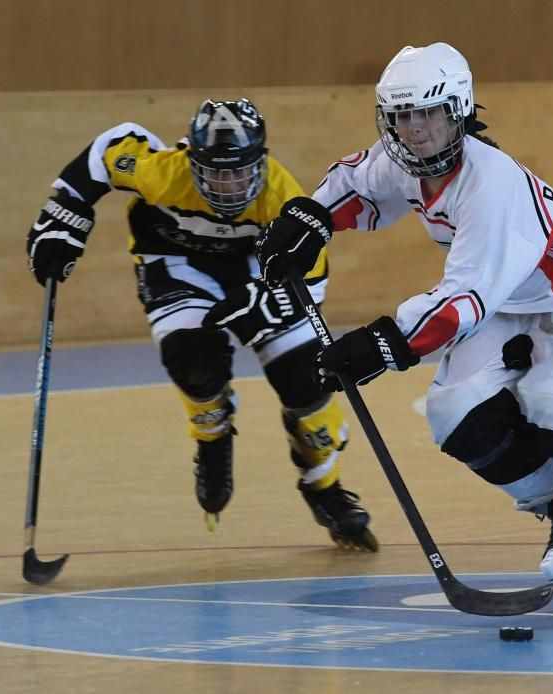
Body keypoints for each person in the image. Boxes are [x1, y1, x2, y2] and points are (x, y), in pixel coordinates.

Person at [249, 44, 553, 615]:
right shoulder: (401, 158)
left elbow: (464, 300)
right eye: (402, 115)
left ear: (459, 111)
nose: (415, 130)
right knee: (456, 415)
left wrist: (382, 343)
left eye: (428, 113)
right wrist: (308, 219)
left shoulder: (491, 186)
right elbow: (355, 184)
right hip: (504, 291)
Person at [24, 98, 378, 551]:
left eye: (238, 171)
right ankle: (212, 436)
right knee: (193, 360)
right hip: (178, 261)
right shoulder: (163, 172)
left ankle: (324, 487)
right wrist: (66, 211)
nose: (228, 184)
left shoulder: (283, 196)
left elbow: (310, 275)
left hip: (259, 269)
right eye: (213, 171)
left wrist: (266, 304)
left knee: (306, 378)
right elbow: (110, 149)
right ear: (191, 160)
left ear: (261, 162)